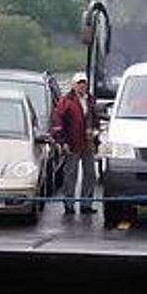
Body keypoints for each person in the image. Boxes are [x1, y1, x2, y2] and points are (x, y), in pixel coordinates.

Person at [52, 71, 97, 216]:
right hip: (72, 143)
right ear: (73, 85)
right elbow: (58, 122)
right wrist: (62, 141)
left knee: (90, 174)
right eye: (79, 83)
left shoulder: (90, 99)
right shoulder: (65, 101)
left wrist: (95, 133)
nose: (82, 86)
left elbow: (95, 118)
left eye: (84, 83)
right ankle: (69, 204)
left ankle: (86, 204)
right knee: (71, 174)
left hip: (88, 143)